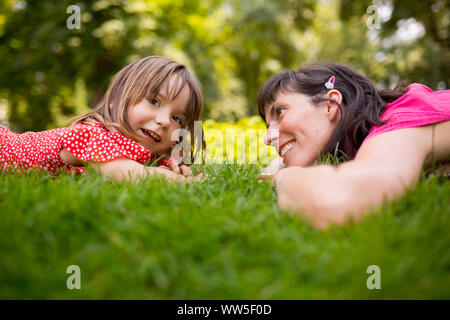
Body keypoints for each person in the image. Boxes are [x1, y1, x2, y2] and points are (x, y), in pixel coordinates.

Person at [257, 63, 450, 228]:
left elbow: (338, 201)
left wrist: (282, 175)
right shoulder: (365, 138)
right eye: (268, 125)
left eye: (280, 111)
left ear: (330, 104)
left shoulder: (398, 122)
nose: (268, 138)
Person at [0, 56, 203, 182]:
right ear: (119, 99)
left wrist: (174, 165)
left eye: (177, 117)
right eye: (154, 101)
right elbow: (132, 174)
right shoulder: (93, 135)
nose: (165, 121)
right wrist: (185, 182)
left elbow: (147, 165)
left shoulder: (137, 151)